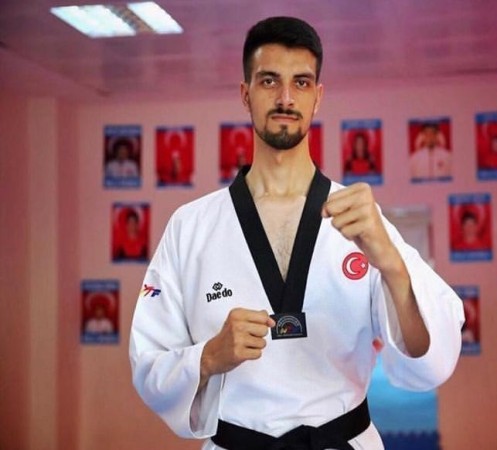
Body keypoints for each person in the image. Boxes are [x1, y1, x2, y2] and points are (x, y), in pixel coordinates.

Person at [129, 16, 464, 450]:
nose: (286, 98)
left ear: (317, 97)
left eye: (301, 83)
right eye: (269, 81)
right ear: (245, 94)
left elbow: (431, 361)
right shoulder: (190, 227)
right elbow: (148, 363)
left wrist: (393, 268)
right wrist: (210, 356)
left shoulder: (360, 217)